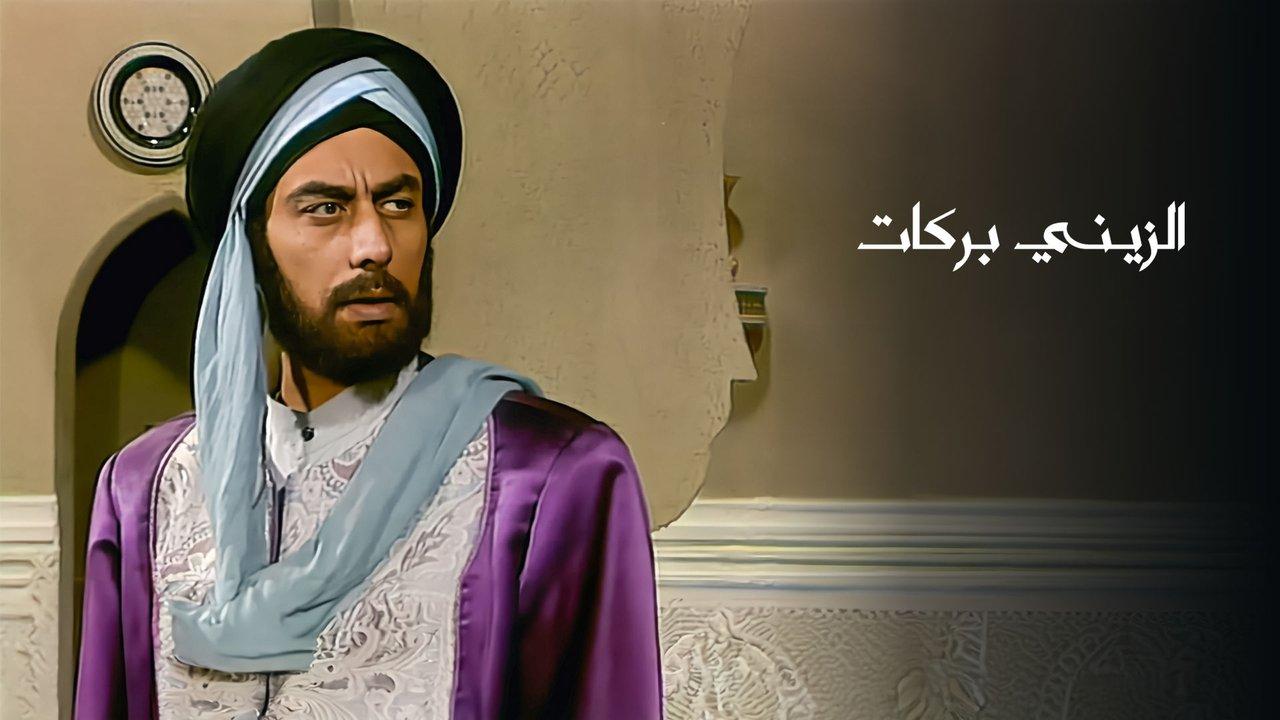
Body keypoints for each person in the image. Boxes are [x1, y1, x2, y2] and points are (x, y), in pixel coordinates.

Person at [74, 27, 663, 720]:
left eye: (398, 204)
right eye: (326, 208)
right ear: (252, 246)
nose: (374, 244)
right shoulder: (146, 488)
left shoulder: (553, 475)